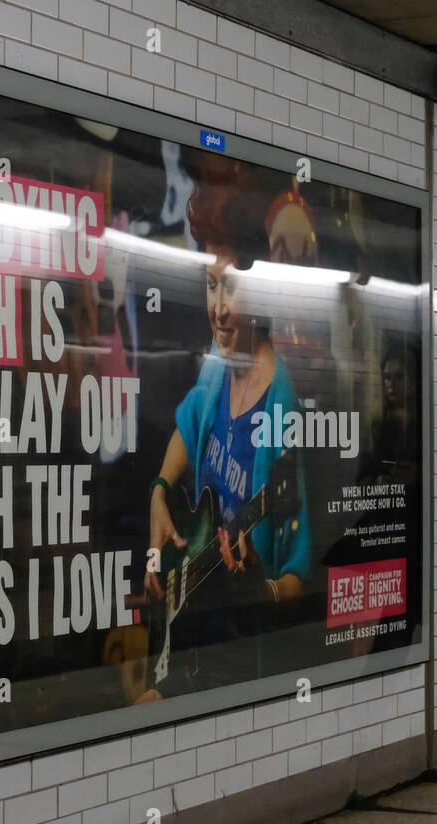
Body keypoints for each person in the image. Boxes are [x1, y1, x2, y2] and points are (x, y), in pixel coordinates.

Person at [135, 159, 311, 702]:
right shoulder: (217, 365)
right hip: (192, 633)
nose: (218, 308)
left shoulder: (282, 407)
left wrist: (261, 587)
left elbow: (299, 574)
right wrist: (160, 494)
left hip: (239, 658)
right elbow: (187, 426)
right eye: (212, 287)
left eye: (231, 289)